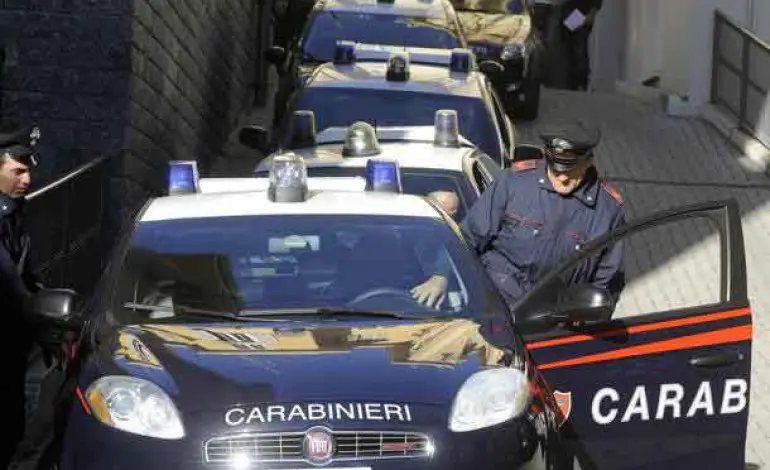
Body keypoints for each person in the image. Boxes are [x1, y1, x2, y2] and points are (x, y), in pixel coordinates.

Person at [413, 123, 625, 311]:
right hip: (494, 306)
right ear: (546, 156)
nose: (561, 176)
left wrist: (591, 317)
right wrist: (441, 275)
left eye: (570, 170)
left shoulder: (607, 211)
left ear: (589, 161)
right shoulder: (513, 183)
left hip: (556, 319)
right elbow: (470, 236)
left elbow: (607, 280)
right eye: (555, 167)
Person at [0, 125, 43, 468]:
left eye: (28, 171)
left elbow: (26, 274)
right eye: (18, 171)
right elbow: (8, 278)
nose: (27, 179)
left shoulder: (14, 214)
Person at [560, 0, 603, 90]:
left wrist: (591, 14)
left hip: (580, 13)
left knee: (578, 46)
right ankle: (575, 82)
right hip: (569, 11)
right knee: (572, 47)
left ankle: (579, 82)